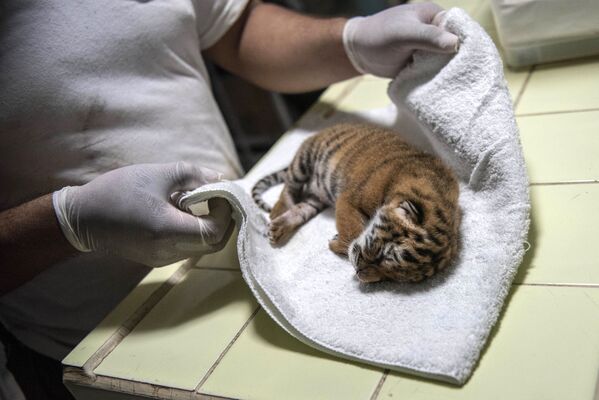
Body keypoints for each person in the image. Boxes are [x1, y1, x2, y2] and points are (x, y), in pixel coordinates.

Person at [0, 0, 458, 397]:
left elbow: (235, 29)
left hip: (235, 267)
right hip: (83, 339)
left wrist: (349, 39)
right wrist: (67, 223)